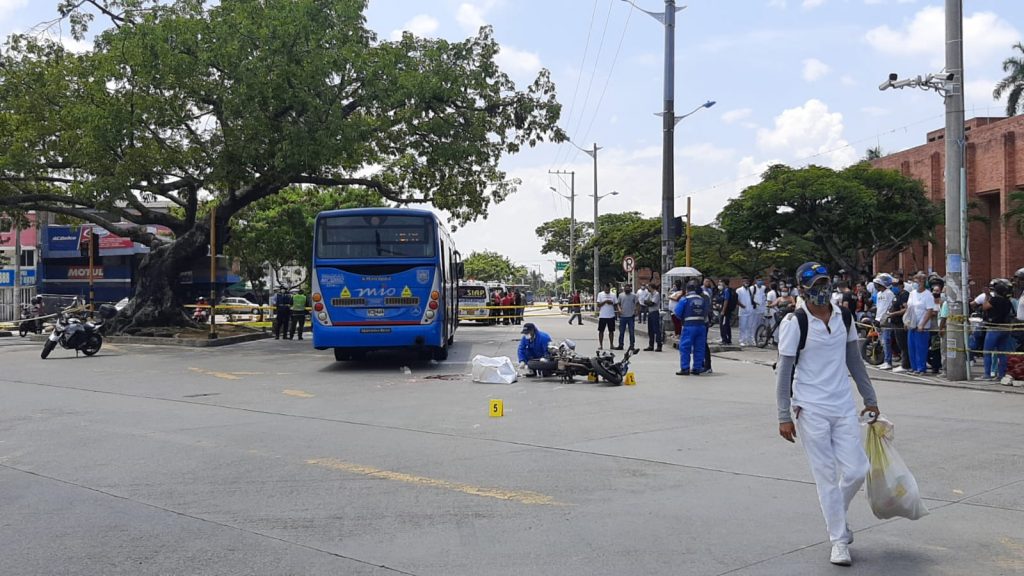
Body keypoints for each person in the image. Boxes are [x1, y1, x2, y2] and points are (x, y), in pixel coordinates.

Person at [776, 262, 880, 567]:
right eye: (815, 285)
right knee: (825, 478)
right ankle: (838, 540)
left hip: (843, 406)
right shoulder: (795, 323)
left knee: (858, 469)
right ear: (802, 290)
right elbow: (784, 373)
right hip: (810, 408)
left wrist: (870, 399)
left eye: (825, 283)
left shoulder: (844, 316)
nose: (822, 290)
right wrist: (784, 415)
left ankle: (838, 516)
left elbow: (855, 362)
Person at [904, 273, 939, 375]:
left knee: (921, 348)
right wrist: (906, 321)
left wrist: (922, 324)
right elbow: (909, 308)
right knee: (912, 347)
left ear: (923, 282)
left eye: (918, 281)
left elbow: (929, 310)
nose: (916, 283)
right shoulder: (912, 293)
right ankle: (914, 367)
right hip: (912, 324)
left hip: (922, 326)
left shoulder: (928, 295)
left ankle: (921, 368)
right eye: (915, 281)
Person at [981, 278, 1014, 382]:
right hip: (1005, 328)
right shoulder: (1008, 301)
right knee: (1002, 353)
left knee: (987, 352)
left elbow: (985, 307)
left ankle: (987, 375)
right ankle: (1001, 374)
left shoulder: (995, 300)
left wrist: (986, 296)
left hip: (994, 329)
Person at [674, 282, 709, 375]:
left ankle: (685, 368)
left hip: (689, 326)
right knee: (699, 348)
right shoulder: (701, 299)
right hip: (701, 326)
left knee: (685, 347)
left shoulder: (684, 299)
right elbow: (706, 312)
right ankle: (697, 368)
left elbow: (677, 312)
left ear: (686, 290)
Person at [873, 274, 896, 370]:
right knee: (882, 341)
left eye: (877, 284)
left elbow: (890, 307)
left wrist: (884, 317)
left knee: (886, 340)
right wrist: (876, 318)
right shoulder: (878, 294)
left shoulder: (889, 293)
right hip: (878, 319)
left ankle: (888, 361)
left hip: (886, 320)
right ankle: (885, 360)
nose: (876, 285)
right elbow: (879, 307)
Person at [889, 279, 910, 373]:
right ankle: (903, 362)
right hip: (895, 323)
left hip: (901, 323)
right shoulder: (897, 295)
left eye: (896, 285)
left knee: (903, 344)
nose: (894, 287)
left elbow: (906, 309)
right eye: (893, 285)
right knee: (898, 343)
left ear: (901, 285)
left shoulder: (904, 295)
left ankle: (905, 365)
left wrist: (894, 313)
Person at [616, 284, 639, 352]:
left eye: (628, 288)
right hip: (623, 316)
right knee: (621, 332)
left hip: (631, 316)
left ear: (630, 289)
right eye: (626, 288)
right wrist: (619, 309)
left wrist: (636, 311)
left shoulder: (634, 296)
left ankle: (632, 345)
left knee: (631, 332)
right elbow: (618, 304)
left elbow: (637, 304)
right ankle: (620, 345)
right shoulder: (621, 295)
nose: (627, 289)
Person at [643, 282, 663, 352]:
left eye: (648, 287)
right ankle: (651, 345)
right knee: (650, 330)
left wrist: (648, 302)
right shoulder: (649, 294)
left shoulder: (656, 294)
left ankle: (659, 345)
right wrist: (648, 302)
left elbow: (652, 303)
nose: (647, 288)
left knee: (656, 329)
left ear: (651, 287)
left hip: (655, 312)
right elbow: (644, 301)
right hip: (650, 312)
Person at [596, 283, 617, 350]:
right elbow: (598, 305)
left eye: (608, 289)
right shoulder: (600, 294)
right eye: (605, 289)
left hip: (611, 315)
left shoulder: (613, 295)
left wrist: (611, 303)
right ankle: (601, 345)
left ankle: (611, 344)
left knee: (611, 331)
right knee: (601, 331)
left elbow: (616, 304)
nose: (607, 290)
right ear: (603, 288)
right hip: (603, 316)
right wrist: (605, 302)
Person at [719, 279, 735, 345]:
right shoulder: (729, 290)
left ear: (724, 283)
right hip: (728, 311)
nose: (719, 284)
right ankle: (728, 339)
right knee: (726, 325)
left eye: (720, 283)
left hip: (725, 312)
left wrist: (723, 310)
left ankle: (725, 339)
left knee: (723, 325)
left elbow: (726, 300)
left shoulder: (726, 290)